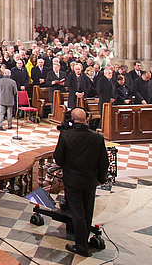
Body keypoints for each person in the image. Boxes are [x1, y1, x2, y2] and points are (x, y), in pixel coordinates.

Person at [54, 108, 109, 257]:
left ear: (72, 119)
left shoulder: (66, 135)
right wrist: (101, 179)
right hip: (90, 180)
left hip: (73, 181)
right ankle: (83, 241)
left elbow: (58, 159)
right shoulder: (97, 137)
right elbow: (104, 161)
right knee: (87, 211)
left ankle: (81, 246)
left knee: (77, 213)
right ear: (87, 119)